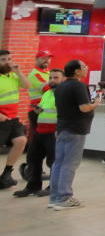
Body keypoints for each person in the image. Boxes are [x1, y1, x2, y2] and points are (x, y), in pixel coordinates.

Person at [49, 59, 98, 210]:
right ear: (77, 71)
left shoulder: (61, 86)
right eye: (84, 67)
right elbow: (84, 108)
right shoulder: (78, 85)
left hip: (63, 128)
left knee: (59, 162)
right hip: (76, 130)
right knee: (70, 163)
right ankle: (64, 197)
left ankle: (55, 196)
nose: (86, 68)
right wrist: (95, 103)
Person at [14, 69, 63, 197]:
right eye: (50, 77)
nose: (52, 80)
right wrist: (38, 110)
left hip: (54, 132)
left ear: (63, 79)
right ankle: (33, 186)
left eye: (56, 78)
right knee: (33, 158)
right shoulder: (47, 93)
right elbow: (44, 110)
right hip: (40, 131)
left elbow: (65, 114)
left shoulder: (63, 94)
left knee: (53, 161)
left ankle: (53, 187)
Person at [0, 49, 30, 190]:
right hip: (1, 118)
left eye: (9, 59)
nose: (8, 62)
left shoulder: (13, 76)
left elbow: (27, 86)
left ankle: (6, 174)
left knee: (21, 141)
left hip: (12, 119)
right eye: (4, 60)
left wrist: (18, 72)